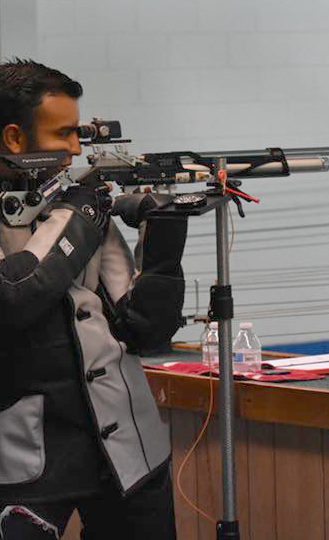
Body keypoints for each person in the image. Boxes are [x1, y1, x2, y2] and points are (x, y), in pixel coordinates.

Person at [0, 59, 186, 539]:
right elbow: (15, 298)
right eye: (63, 134)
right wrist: (78, 218)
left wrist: (164, 236)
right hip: (23, 460)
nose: (76, 149)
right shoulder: (78, 211)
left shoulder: (75, 204)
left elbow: (145, 329)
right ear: (15, 138)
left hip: (129, 452)